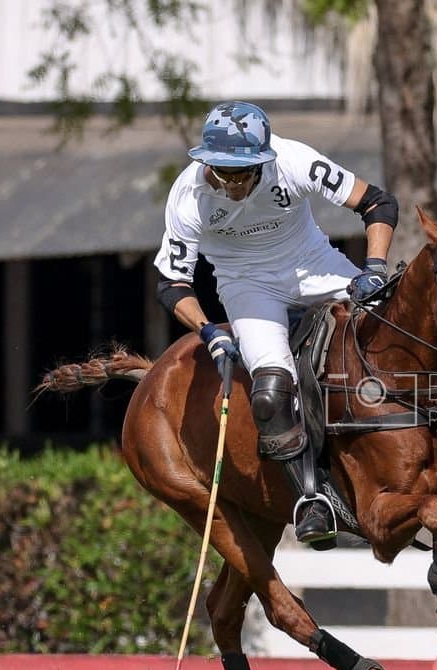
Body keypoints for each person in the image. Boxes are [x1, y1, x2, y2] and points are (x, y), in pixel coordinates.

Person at [153, 100, 396, 549]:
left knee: (390, 336)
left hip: (313, 265)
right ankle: (312, 499)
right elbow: (171, 283)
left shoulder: (293, 161)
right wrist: (209, 331)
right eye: (223, 173)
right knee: (270, 389)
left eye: (243, 173)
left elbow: (377, 204)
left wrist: (375, 268)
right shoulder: (188, 195)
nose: (233, 184)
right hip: (247, 286)